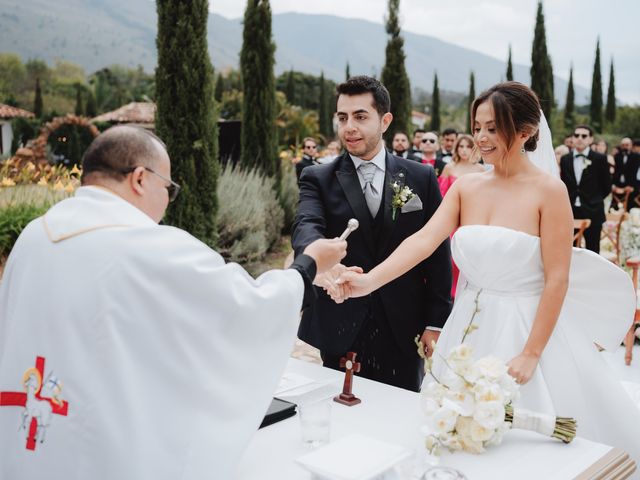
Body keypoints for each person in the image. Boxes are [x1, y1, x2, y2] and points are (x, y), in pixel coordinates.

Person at [0, 126, 348, 479]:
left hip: (28, 433)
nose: (168, 201)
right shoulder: (148, 247)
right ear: (140, 178)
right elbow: (246, 309)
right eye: (168, 188)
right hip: (102, 455)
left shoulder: (34, 236)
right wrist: (308, 266)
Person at [337, 81, 639, 460]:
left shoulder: (549, 191)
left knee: (530, 447)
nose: (480, 137)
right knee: (457, 433)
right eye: (477, 126)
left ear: (526, 132)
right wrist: (368, 281)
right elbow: (422, 242)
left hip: (529, 329)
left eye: (493, 127)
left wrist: (531, 352)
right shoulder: (467, 188)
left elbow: (558, 278)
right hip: (468, 327)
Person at [292, 75, 452, 392]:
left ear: (385, 120)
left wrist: (436, 322)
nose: (349, 126)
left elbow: (437, 252)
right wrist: (324, 264)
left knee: (401, 415)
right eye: (342, 117)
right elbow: (305, 227)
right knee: (341, 412)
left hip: (405, 326)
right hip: (341, 319)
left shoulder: (421, 177)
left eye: (361, 116)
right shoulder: (317, 178)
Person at [437, 134, 485, 298]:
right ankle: (449, 291)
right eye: (461, 147)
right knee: (450, 256)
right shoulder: (450, 167)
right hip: (451, 219)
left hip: (473, 219)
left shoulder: (481, 170)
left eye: (468, 147)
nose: (464, 150)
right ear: (457, 149)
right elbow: (440, 193)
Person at [559, 125, 612, 253]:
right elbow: (564, 184)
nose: (579, 138)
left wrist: (594, 199)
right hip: (571, 211)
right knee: (570, 250)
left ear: (590, 139)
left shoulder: (600, 159)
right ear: (572, 138)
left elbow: (607, 186)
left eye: (584, 136)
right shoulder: (565, 159)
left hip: (593, 211)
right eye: (576, 135)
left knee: (593, 250)